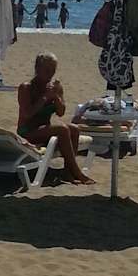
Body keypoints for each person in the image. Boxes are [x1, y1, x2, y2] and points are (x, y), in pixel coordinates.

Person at [17, 53, 93, 184]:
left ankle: (68, 172)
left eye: (53, 70)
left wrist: (56, 97)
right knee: (62, 129)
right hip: (28, 130)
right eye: (47, 70)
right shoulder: (26, 88)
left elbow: (61, 112)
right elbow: (27, 114)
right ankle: (77, 172)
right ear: (37, 69)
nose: (50, 73)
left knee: (74, 129)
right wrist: (45, 97)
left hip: (44, 129)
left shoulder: (54, 87)